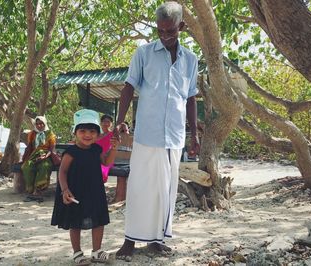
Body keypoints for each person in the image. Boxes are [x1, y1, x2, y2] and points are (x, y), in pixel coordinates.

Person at [115, 1, 200, 261]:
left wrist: (194, 133)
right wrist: (120, 119)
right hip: (147, 135)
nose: (164, 36)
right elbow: (129, 87)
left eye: (170, 31)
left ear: (181, 27)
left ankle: (156, 240)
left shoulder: (190, 60)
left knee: (166, 190)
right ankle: (129, 240)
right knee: (140, 187)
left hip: (174, 137)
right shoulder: (143, 54)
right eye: (160, 31)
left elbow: (191, 98)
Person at [51, 109, 118, 265]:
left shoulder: (97, 150)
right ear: (75, 133)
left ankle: (97, 251)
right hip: (76, 192)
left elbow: (107, 162)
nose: (87, 134)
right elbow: (62, 172)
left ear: (98, 133)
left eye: (92, 131)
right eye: (83, 131)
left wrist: (114, 148)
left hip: (95, 191)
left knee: (99, 220)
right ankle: (77, 253)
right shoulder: (71, 152)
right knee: (75, 222)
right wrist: (65, 190)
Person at [21, 116, 56, 203]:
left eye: (41, 123)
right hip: (33, 156)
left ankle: (38, 191)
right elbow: (30, 147)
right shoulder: (32, 134)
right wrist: (27, 158)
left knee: (45, 166)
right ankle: (31, 190)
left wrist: (44, 156)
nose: (39, 125)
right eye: (37, 124)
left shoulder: (50, 134)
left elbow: (52, 150)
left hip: (46, 156)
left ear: (45, 124)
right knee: (26, 167)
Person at [96, 114, 114, 183]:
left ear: (111, 124)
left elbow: (113, 148)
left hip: (107, 159)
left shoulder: (112, 134)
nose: (106, 123)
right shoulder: (96, 134)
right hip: (95, 157)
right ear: (101, 123)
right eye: (104, 121)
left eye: (108, 122)